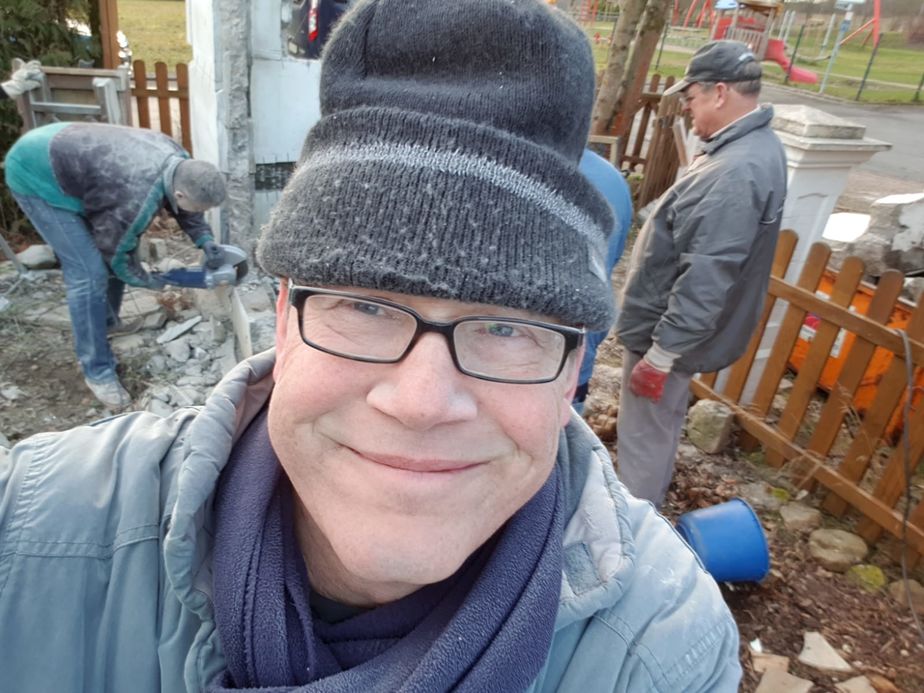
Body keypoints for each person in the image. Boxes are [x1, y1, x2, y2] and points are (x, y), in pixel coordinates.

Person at [0, 2, 741, 691]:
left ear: (573, 366)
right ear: (285, 320)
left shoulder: (665, 650)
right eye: (363, 306)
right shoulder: (33, 528)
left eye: (507, 327)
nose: (421, 402)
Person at [615, 40, 788, 506]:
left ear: (720, 92)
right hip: (679, 334)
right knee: (661, 424)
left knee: (643, 436)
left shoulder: (735, 171)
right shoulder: (755, 147)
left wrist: (661, 356)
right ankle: (646, 508)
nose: (688, 108)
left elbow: (706, 277)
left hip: (664, 335)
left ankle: (630, 527)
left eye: (691, 97)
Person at [4, 122, 227, 408]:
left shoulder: (180, 163)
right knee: (88, 273)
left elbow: (183, 208)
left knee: (109, 254)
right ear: (181, 195)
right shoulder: (135, 196)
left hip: (70, 156)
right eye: (201, 209)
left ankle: (106, 323)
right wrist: (148, 280)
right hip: (37, 174)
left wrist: (204, 239)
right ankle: (97, 371)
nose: (201, 213)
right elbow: (118, 254)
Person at [573, 149, 633, 414]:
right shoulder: (611, 177)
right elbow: (614, 256)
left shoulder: (511, 162)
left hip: (515, 360)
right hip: (582, 344)